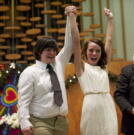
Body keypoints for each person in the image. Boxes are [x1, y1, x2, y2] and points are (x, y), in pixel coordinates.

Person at [17, 6, 77, 135]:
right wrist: (24, 122)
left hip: (61, 121)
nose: (52, 53)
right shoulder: (29, 72)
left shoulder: (58, 63)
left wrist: (70, 17)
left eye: (54, 50)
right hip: (39, 121)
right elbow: (23, 100)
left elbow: (70, 44)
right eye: (48, 50)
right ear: (39, 51)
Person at [71, 7, 118, 135]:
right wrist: (72, 19)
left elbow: (108, 40)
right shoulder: (81, 68)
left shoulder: (104, 67)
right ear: (85, 52)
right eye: (91, 50)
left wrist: (110, 19)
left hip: (108, 105)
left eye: (97, 50)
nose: (94, 53)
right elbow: (75, 42)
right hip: (90, 106)